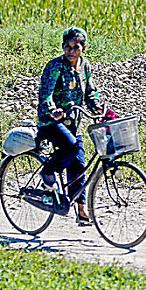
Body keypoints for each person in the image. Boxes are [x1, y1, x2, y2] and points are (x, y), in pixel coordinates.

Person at [36, 26, 102, 226]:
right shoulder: (55, 66)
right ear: (63, 47)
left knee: (79, 165)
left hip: (74, 122)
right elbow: (45, 93)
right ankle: (47, 172)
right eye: (68, 46)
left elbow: (90, 92)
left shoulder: (85, 66)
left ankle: (81, 212)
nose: (71, 51)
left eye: (76, 46)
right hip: (52, 121)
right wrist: (52, 109)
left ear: (83, 47)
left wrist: (96, 105)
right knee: (72, 148)